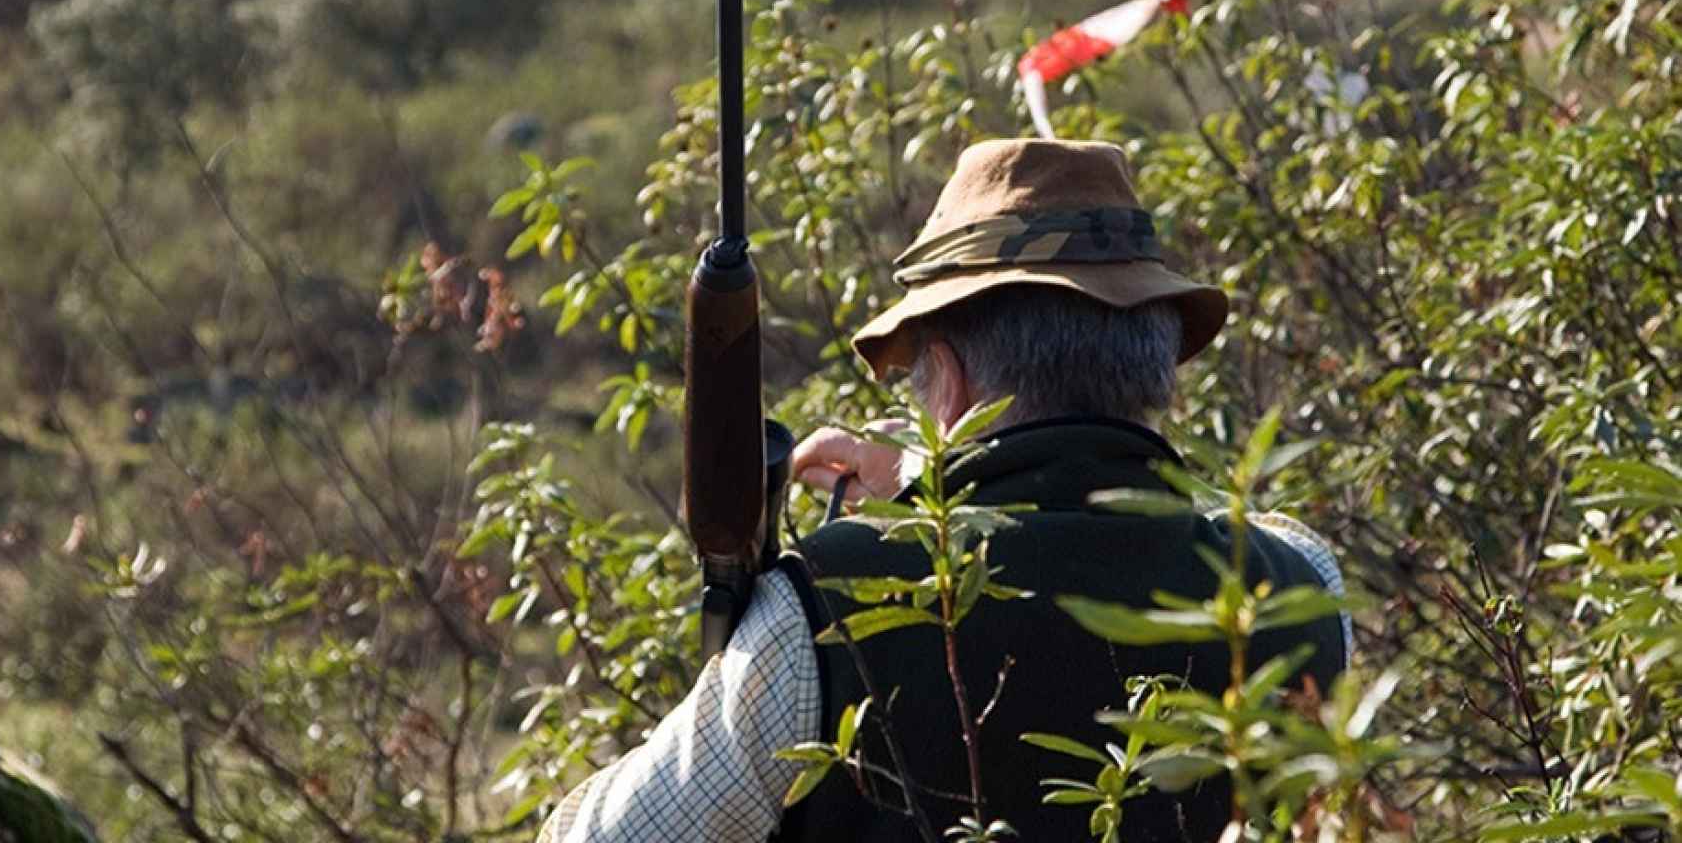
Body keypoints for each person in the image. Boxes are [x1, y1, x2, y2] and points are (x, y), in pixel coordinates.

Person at [541, 139, 1350, 843]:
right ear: (1151, 364)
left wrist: (915, 514)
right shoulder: (1302, 588)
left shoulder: (826, 612)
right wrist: (937, 485)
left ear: (953, 383)